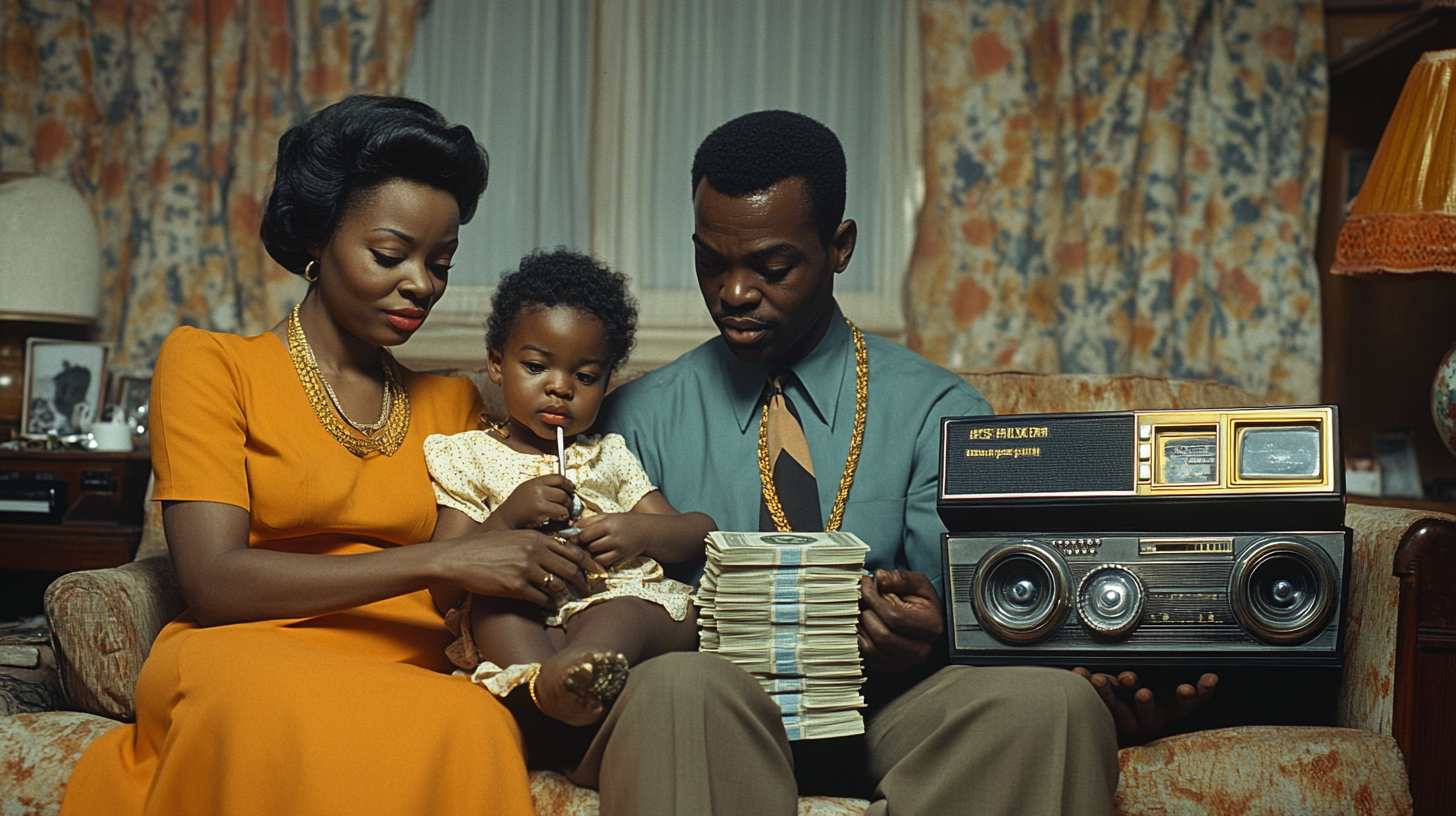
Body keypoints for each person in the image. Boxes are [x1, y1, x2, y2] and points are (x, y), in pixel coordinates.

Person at [575, 110, 1126, 816]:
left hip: (890, 717)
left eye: (772, 268)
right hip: (709, 722)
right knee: (683, 687)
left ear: (840, 247)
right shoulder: (636, 418)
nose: (734, 293)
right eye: (711, 263)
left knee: (1051, 705)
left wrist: (930, 636)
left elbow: (989, 611)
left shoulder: (938, 410)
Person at [60, 95, 599, 816]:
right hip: (246, 649)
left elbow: (459, 592)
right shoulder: (211, 366)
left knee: (473, 724)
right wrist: (438, 558)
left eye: (441, 262)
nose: (421, 284)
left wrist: (511, 537)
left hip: (410, 659)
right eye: (390, 254)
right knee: (268, 707)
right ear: (317, 237)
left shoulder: (453, 404)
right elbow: (213, 580)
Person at [424, 249, 713, 729]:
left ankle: (575, 675)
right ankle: (547, 688)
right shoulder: (469, 457)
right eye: (537, 367)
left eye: (584, 376)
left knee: (627, 611)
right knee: (495, 608)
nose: (560, 388)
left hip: (610, 602)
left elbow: (699, 531)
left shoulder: (608, 456)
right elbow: (443, 581)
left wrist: (638, 531)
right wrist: (509, 517)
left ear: (606, 381)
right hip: (525, 610)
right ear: (497, 364)